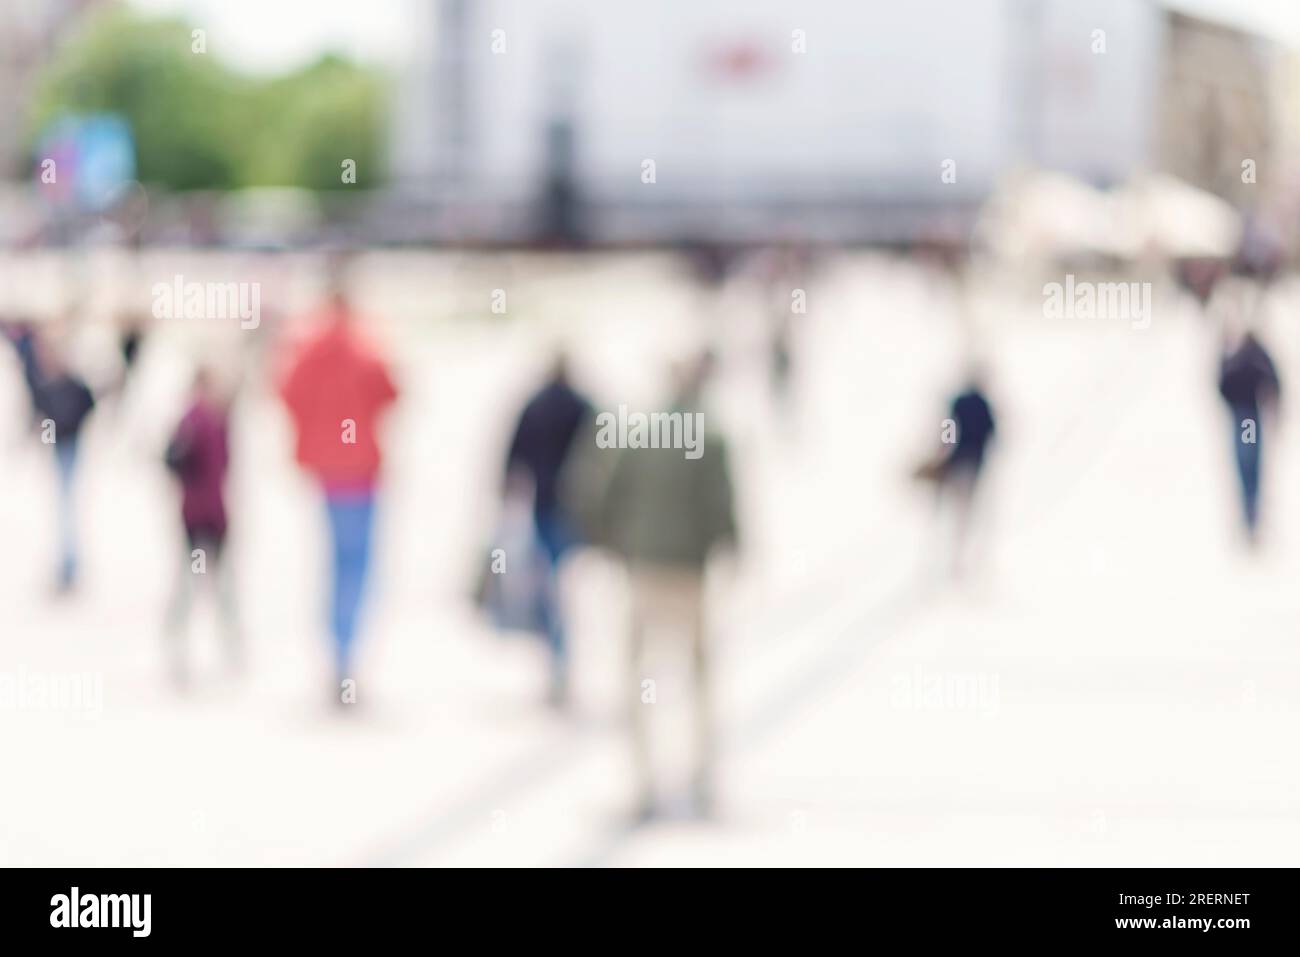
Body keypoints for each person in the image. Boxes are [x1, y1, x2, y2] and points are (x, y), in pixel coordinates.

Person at [594, 354, 737, 820]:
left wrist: (618, 545)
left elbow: (605, 493)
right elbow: (723, 508)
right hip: (689, 572)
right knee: (698, 679)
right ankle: (701, 776)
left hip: (644, 569)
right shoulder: (711, 436)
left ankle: (644, 779)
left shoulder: (639, 431)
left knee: (639, 680)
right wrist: (730, 551)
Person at [279, 282, 398, 705]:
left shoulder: (308, 347)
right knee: (356, 567)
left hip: (326, 471)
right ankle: (345, 656)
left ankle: (337, 654)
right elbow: (392, 392)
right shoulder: (365, 347)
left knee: (334, 562)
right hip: (361, 470)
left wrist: (312, 432)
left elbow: (286, 392)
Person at [503, 354, 592, 705]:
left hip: (544, 506)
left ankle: (557, 654)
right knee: (562, 581)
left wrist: (508, 494)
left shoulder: (535, 406)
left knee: (550, 580)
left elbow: (513, 456)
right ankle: (560, 654)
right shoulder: (582, 406)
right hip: (572, 510)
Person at [4, 323, 96, 592]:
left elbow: (82, 408)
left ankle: (68, 567)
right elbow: (42, 413)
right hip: (59, 448)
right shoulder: (45, 382)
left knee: (66, 507)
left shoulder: (69, 383)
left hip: (69, 447)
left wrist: (64, 426)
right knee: (61, 505)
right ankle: (64, 566)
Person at [164, 367, 237, 684]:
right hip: (199, 516)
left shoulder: (217, 421)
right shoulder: (193, 423)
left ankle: (229, 646)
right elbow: (173, 462)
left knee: (219, 586)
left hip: (210, 515)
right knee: (193, 585)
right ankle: (180, 648)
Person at [915, 368, 996, 578]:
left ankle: (939, 557)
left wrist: (944, 453)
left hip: (955, 464)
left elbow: (948, 430)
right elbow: (991, 433)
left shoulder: (958, 402)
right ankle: (957, 560)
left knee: (946, 509)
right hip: (973, 465)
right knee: (965, 513)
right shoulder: (984, 404)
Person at [1218, 328, 1280, 544]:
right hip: (1244, 417)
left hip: (1248, 419)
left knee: (1248, 462)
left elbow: (1273, 380)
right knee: (1246, 463)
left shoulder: (1252, 353)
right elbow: (1221, 385)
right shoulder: (1233, 354)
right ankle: (1249, 514)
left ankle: (1252, 514)